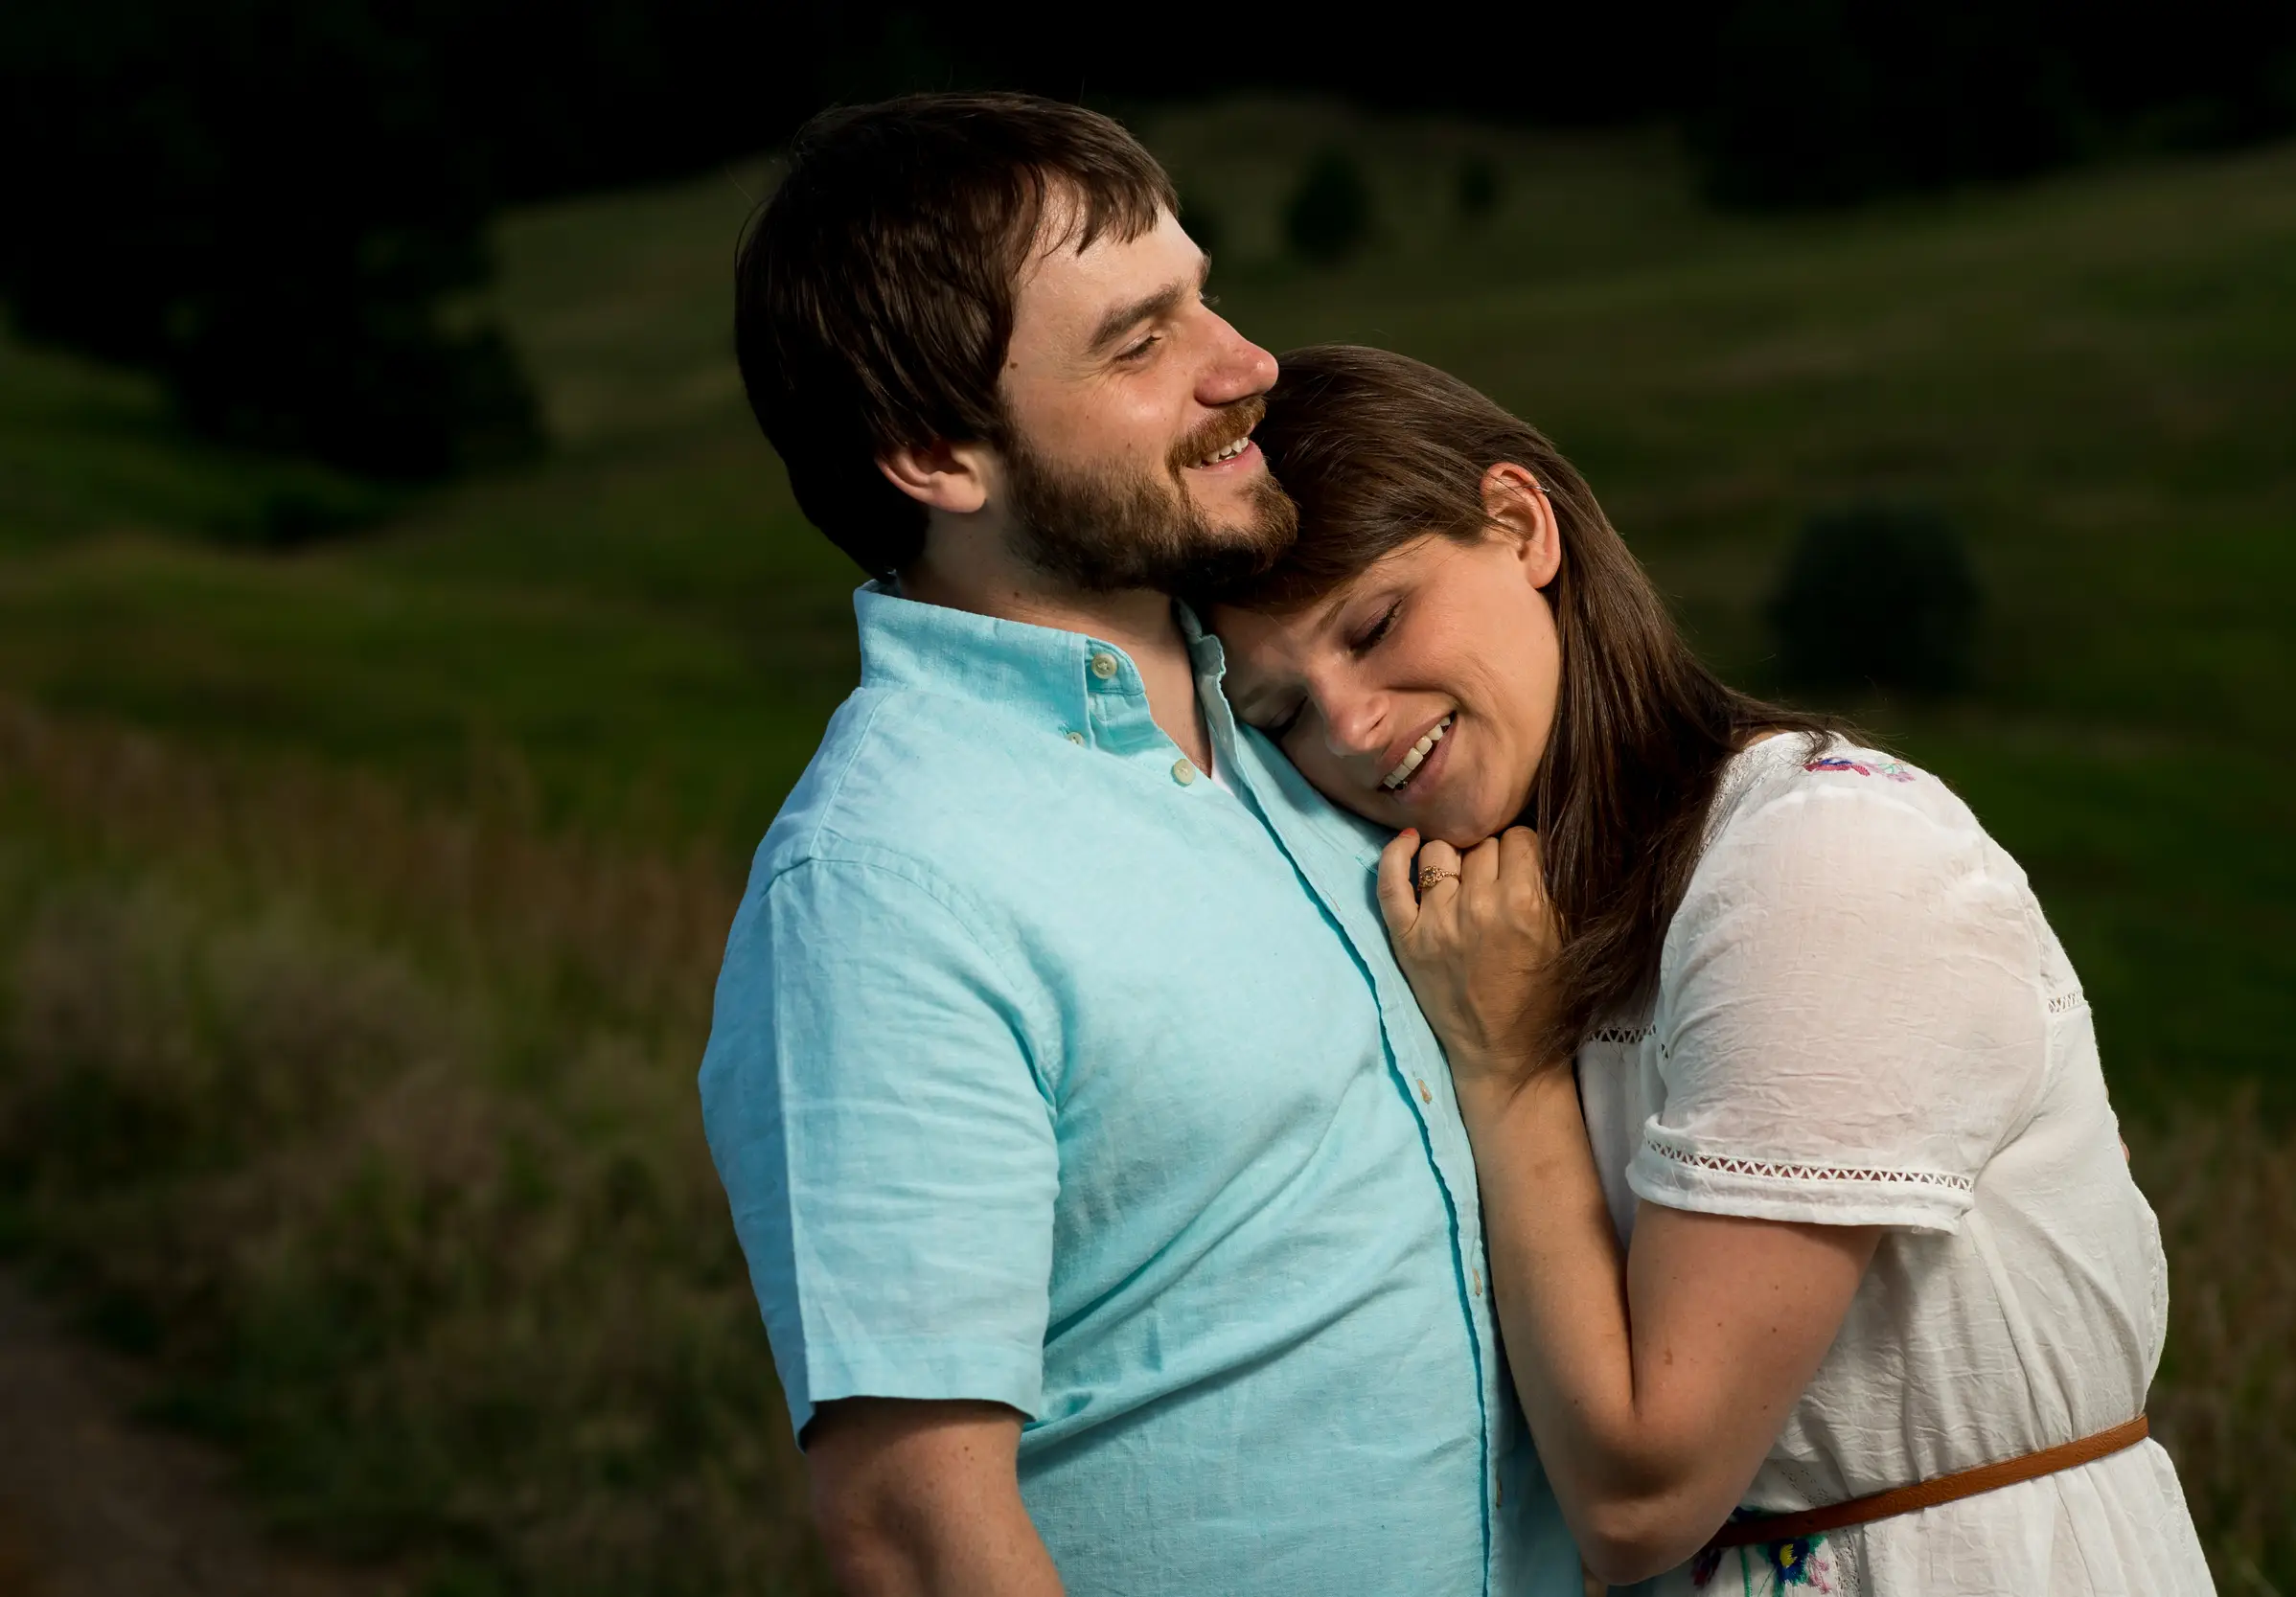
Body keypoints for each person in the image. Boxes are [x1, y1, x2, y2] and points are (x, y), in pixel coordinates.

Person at [700, 98, 1581, 1597]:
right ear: (931, 453)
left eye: (1203, 298)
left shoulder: (1316, 723)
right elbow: (915, 1532)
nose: (1245, 369)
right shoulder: (885, 886)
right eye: (1138, 342)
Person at [1210, 345, 2215, 1594]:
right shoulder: (1515, 929)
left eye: (1375, 623)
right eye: (1281, 713)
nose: (1352, 726)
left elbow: (1647, 1485)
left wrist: (1507, 1064)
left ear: (1522, 525)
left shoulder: (1818, 861)